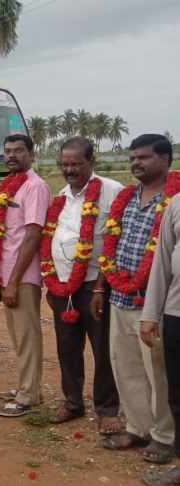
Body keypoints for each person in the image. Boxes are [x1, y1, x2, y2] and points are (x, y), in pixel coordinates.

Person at [100, 134, 176, 464]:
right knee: (126, 366)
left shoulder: (174, 200)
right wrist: (103, 287)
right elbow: (110, 246)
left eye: (143, 157)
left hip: (154, 303)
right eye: (132, 157)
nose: (135, 163)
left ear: (165, 159)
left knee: (158, 373)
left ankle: (164, 436)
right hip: (120, 297)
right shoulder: (127, 197)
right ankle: (137, 426)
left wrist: (155, 309)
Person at [42, 137, 123, 434]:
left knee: (102, 349)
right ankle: (73, 402)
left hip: (95, 287)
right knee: (67, 348)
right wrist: (52, 284)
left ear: (92, 162)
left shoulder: (112, 192)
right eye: (65, 164)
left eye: (76, 163)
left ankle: (107, 409)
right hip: (62, 287)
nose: (70, 169)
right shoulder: (61, 196)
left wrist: (102, 286)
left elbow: (115, 242)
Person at [0, 135, 51, 418]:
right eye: (7, 151)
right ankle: (28, 386)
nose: (12, 155)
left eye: (18, 151)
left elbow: (33, 235)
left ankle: (28, 396)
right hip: (7, 272)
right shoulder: (10, 186)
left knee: (27, 335)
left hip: (22, 276)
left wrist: (12, 282)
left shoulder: (34, 187)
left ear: (31, 154)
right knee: (17, 335)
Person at [141, 138, 180, 484]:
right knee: (178, 391)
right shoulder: (178, 205)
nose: (136, 162)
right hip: (176, 313)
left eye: (144, 157)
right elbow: (162, 265)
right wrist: (151, 314)